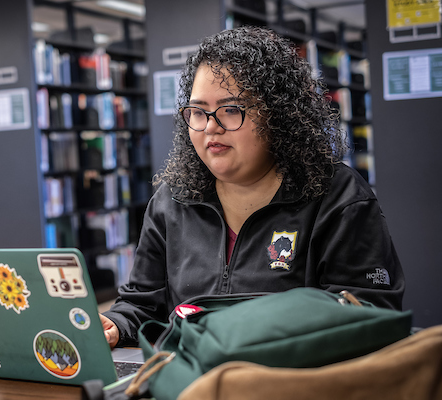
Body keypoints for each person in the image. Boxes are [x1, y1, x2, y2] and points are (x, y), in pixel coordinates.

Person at [100, 26, 405, 348]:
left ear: (278, 116)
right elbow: (143, 304)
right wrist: (117, 324)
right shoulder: (172, 199)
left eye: (231, 110)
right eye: (198, 112)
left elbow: (369, 313)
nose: (210, 127)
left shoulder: (338, 198)